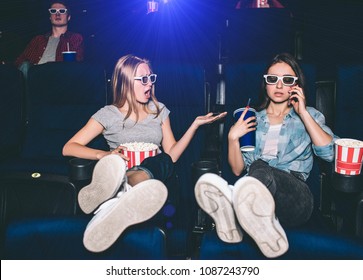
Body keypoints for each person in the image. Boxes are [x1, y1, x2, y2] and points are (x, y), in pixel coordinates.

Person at [62, 54, 226, 253]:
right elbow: (69, 147)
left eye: (151, 78)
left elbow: (172, 154)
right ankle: (114, 203)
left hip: (159, 185)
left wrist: (195, 125)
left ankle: (122, 193)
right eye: (143, 79)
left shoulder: (159, 110)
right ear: (125, 81)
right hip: (119, 176)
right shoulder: (108, 114)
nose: (149, 84)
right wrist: (104, 155)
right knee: (154, 164)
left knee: (163, 160)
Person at [195, 53, 338, 258]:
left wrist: (303, 113)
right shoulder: (252, 118)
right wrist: (232, 138)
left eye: (287, 80)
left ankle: (232, 209)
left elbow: (330, 153)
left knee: (260, 167)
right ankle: (258, 224)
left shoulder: (311, 116)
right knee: (258, 169)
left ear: (296, 85)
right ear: (266, 84)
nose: (279, 86)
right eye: (273, 79)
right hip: (253, 187)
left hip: (295, 196)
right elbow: (237, 169)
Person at [15, 1, 84, 76]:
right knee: (25, 65)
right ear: (50, 17)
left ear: (69, 17)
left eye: (62, 11)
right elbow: (20, 61)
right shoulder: (38, 39)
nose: (57, 14)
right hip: (35, 77)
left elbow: (78, 62)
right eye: (53, 11)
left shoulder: (74, 38)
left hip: (57, 77)